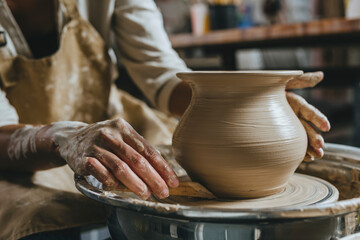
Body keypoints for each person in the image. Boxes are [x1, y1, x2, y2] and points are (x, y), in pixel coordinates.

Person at [0, 0, 330, 238]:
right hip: (15, 150)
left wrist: (244, 99)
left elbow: (162, 76)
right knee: (36, 211)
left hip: (107, 122)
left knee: (169, 167)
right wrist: (64, 137)